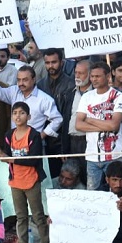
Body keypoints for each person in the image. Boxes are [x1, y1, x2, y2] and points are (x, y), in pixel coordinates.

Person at [0, 102, 54, 243]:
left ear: (29, 117)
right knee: (21, 217)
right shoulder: (9, 135)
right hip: (15, 182)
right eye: (15, 113)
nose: (18, 116)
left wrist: (10, 158)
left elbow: (33, 159)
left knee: (38, 216)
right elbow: (6, 156)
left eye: (21, 113)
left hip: (31, 181)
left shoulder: (33, 135)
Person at [76, 62, 122, 190]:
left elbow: (114, 125)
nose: (94, 79)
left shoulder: (118, 96)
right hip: (92, 155)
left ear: (108, 76)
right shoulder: (86, 97)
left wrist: (89, 119)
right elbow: (78, 125)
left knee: (115, 193)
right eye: (92, 76)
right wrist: (106, 125)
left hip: (114, 154)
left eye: (98, 76)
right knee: (93, 197)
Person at [0, 64, 62, 146]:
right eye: (19, 80)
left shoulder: (44, 99)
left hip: (33, 144)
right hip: (14, 143)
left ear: (34, 79)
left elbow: (57, 120)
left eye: (25, 80)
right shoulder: (14, 91)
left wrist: (41, 136)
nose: (21, 83)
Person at [37, 48, 75, 177]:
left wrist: (65, 147)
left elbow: (68, 116)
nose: (50, 66)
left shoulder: (71, 84)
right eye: (47, 63)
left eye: (54, 62)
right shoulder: (40, 85)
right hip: (45, 140)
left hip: (64, 140)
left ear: (62, 62)